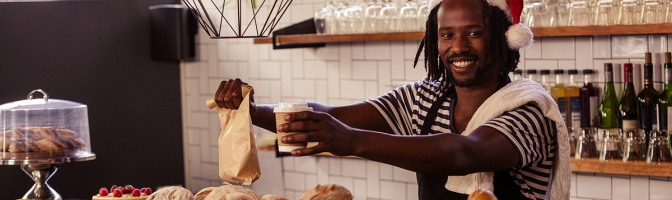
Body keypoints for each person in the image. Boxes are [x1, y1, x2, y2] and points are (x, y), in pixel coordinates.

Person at [214, 0, 570, 198]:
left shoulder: (529, 108)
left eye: (474, 33)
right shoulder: (425, 97)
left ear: (504, 38)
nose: (459, 47)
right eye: (447, 35)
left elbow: (465, 153)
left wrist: (351, 142)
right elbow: (335, 115)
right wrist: (251, 110)